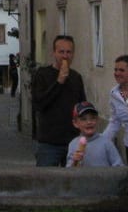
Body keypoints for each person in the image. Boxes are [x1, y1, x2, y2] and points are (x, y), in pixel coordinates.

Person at [32, 35, 86, 166]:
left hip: (72, 141)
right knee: (47, 177)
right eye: (61, 52)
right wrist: (59, 82)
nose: (65, 56)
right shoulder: (42, 74)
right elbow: (39, 104)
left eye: (69, 52)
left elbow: (82, 106)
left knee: (73, 177)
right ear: (54, 53)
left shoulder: (76, 77)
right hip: (49, 143)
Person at [66, 101, 123, 167]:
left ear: (97, 120)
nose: (89, 122)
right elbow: (69, 170)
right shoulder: (73, 144)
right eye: (83, 119)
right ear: (75, 123)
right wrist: (74, 162)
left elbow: (118, 165)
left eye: (93, 118)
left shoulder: (106, 142)